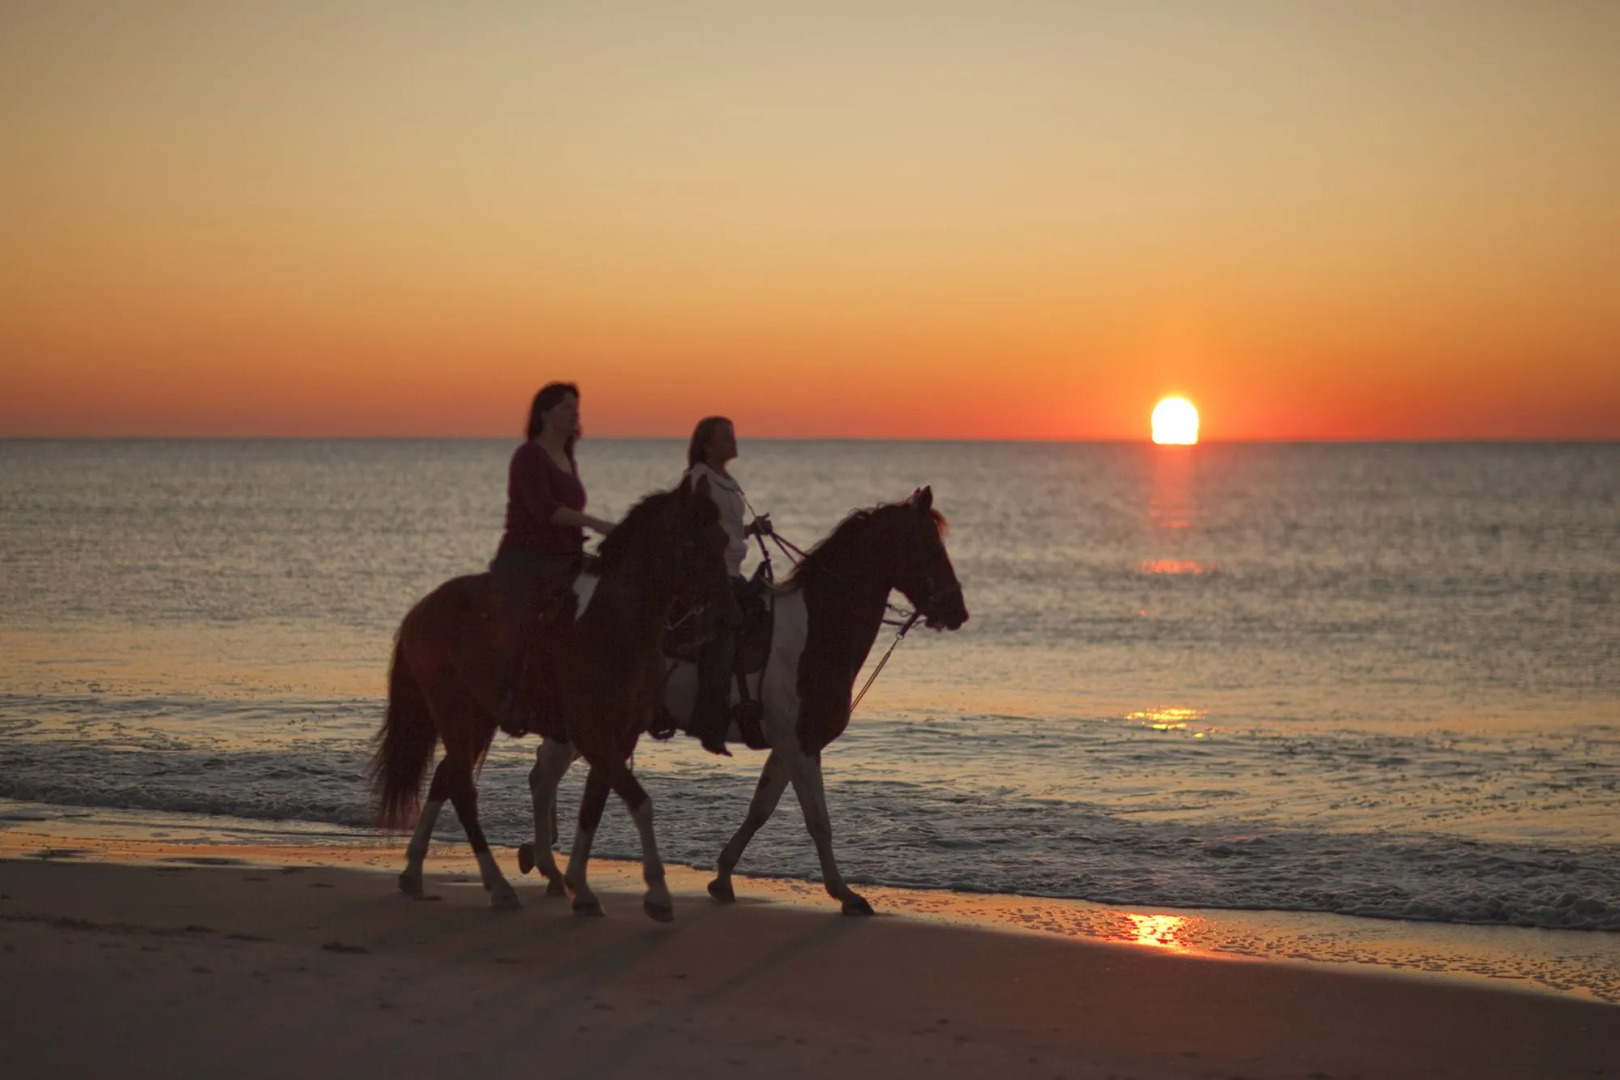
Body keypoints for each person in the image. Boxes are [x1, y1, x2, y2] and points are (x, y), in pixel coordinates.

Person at [490, 382, 615, 728]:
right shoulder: (529, 455)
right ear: (545, 413)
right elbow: (544, 508)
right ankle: (509, 697)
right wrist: (597, 523)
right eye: (566, 407)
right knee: (522, 619)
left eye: (576, 408)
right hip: (526, 557)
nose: (574, 414)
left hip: (565, 555)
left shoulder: (567, 457)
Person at [683, 416, 754, 754]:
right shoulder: (700, 480)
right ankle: (709, 719)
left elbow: (726, 530)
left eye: (733, 436)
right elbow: (695, 532)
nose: (734, 442)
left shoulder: (726, 480)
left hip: (733, 571)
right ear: (708, 446)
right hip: (710, 576)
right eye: (726, 438)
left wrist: (752, 532)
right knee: (724, 634)